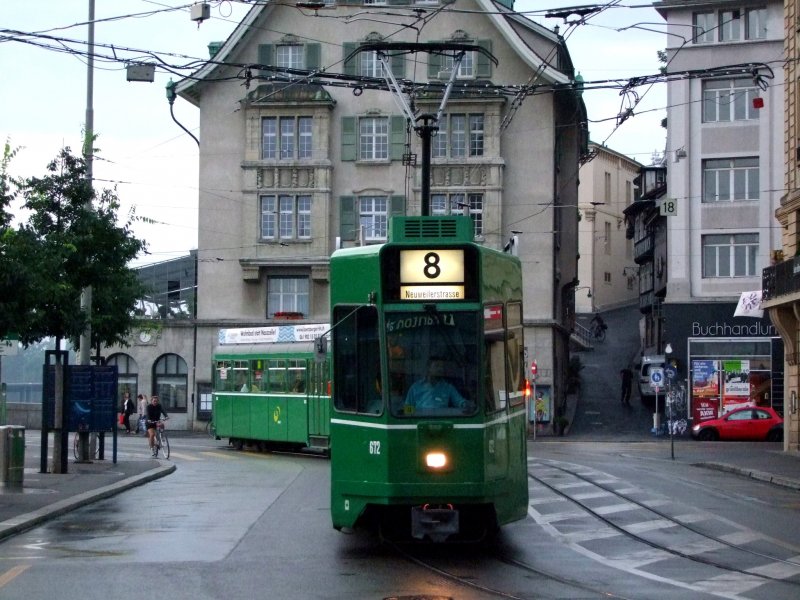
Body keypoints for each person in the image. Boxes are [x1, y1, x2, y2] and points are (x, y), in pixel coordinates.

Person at [404, 357, 470, 412]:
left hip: (442, 420)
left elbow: (460, 402)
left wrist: (466, 404)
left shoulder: (448, 387)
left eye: (442, 367)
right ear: (428, 368)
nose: (440, 369)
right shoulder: (415, 387)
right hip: (420, 420)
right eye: (437, 366)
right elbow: (407, 408)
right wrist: (418, 412)